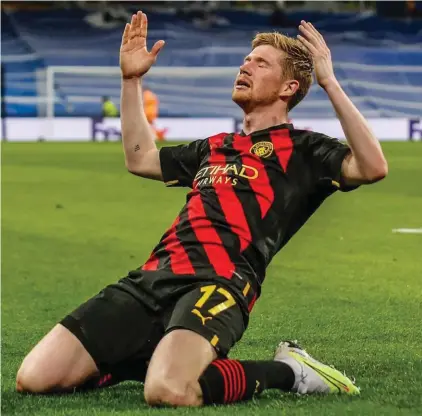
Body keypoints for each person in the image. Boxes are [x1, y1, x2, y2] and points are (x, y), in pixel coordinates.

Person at [16, 11, 387, 406]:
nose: (245, 66)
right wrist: (131, 80)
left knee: (169, 391)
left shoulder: (305, 151)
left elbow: (372, 166)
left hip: (219, 284)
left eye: (261, 63)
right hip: (153, 278)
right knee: (35, 379)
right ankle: (147, 354)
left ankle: (291, 371)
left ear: (288, 87)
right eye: (246, 60)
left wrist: (328, 81)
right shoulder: (214, 146)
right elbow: (140, 158)